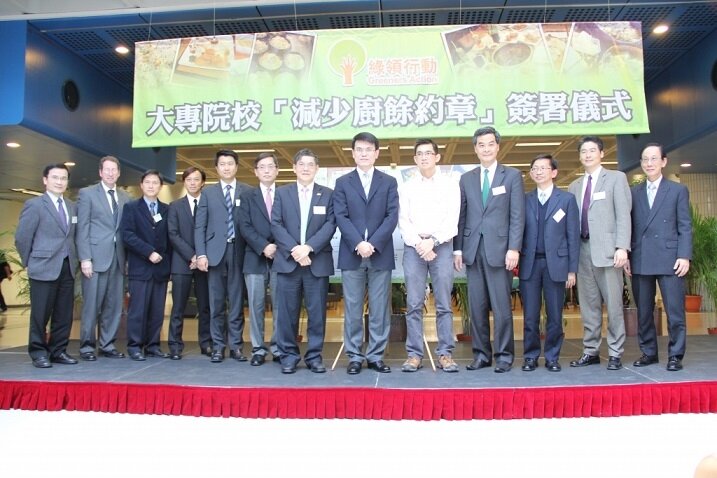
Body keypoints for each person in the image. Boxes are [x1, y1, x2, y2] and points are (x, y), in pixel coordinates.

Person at [454, 126, 525, 373]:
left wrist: (514, 248)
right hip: (473, 250)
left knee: (502, 307)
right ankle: (481, 355)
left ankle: (504, 356)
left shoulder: (512, 176)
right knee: (477, 307)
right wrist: (458, 250)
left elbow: (517, 216)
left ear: (498, 147)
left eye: (490, 144)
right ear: (475, 149)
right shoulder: (466, 178)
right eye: (481, 145)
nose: (486, 149)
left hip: (501, 250)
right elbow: (461, 216)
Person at [334, 132, 398, 374]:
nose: (364, 154)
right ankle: (354, 355)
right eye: (359, 149)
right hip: (352, 254)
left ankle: (375, 355)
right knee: (352, 308)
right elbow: (341, 216)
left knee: (380, 308)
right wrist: (358, 243)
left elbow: (392, 215)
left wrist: (373, 243)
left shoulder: (389, 181)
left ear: (376, 153)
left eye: (368, 149)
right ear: (353, 153)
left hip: (380, 253)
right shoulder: (343, 182)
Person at [567, 136, 631, 370]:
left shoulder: (616, 178)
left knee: (613, 305)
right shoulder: (574, 186)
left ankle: (615, 352)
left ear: (602, 154)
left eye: (592, 150)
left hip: (608, 252)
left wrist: (622, 247)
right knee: (588, 306)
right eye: (583, 151)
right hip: (583, 251)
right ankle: (590, 350)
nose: (587, 155)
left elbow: (624, 214)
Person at [626, 143, 691, 371]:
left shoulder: (677, 190)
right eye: (645, 159)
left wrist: (684, 255)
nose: (649, 163)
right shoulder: (633, 192)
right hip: (641, 257)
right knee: (644, 311)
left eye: (654, 158)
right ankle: (649, 352)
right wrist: (627, 255)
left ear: (664, 161)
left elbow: (685, 225)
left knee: (675, 311)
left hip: (670, 258)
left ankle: (675, 355)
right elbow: (629, 227)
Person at [271, 148, 335, 374]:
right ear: (294, 168)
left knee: (317, 314)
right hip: (288, 263)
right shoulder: (282, 193)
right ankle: (288, 356)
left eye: (310, 164)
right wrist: (295, 250)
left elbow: (330, 225)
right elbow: (276, 224)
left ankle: (314, 356)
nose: (306, 168)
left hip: (316, 262)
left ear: (317, 168)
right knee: (287, 314)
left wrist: (308, 248)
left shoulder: (328, 194)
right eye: (301, 164)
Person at [398, 138, 460, 373]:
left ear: (437, 157)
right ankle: (414, 354)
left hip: (441, 246)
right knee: (414, 303)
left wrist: (432, 242)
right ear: (415, 159)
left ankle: (445, 353)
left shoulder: (450, 184)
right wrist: (420, 243)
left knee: (444, 303)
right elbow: (403, 221)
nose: (424, 157)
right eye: (419, 154)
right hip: (414, 248)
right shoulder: (406, 187)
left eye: (428, 153)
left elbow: (452, 219)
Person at [519, 154, 580, 372]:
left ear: (554, 172)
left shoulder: (567, 200)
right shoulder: (525, 200)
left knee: (555, 315)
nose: (538, 172)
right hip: (530, 264)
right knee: (530, 316)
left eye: (543, 168)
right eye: (534, 168)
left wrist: (572, 270)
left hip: (557, 265)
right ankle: (530, 356)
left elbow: (573, 236)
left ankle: (552, 357)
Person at [15, 164, 78, 368]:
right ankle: (38, 352)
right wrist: (29, 262)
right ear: (45, 180)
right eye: (55, 177)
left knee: (63, 313)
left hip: (67, 267)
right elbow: (23, 237)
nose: (59, 182)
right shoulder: (35, 205)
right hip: (43, 267)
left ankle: (58, 351)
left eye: (63, 178)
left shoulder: (71, 206)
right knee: (40, 314)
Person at [195, 150, 250, 363]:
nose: (226, 167)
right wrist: (201, 254)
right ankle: (218, 346)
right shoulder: (208, 193)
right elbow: (200, 226)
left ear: (236, 167)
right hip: (214, 254)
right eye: (222, 164)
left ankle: (236, 346)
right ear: (216, 168)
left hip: (239, 252)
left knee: (236, 303)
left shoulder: (248, 191)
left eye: (230, 164)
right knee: (216, 303)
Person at [76, 155, 130, 361]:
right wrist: (85, 258)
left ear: (119, 173)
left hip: (118, 258)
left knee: (114, 305)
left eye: (114, 170)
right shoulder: (87, 194)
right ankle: (87, 347)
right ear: (100, 172)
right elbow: (82, 228)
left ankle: (107, 345)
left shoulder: (125, 197)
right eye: (106, 169)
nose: (110, 173)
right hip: (95, 259)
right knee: (92, 305)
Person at [120, 170, 172, 361]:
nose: (151, 186)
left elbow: (170, 238)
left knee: (157, 311)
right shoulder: (131, 208)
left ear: (161, 186)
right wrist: (148, 252)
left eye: (155, 182)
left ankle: (153, 345)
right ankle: (134, 346)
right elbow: (127, 235)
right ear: (141, 185)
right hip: (140, 267)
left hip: (161, 268)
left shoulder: (166, 209)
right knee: (138, 310)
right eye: (148, 182)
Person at [238, 153, 280, 366]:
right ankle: (258, 349)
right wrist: (264, 246)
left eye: (270, 166)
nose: (266, 170)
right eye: (262, 167)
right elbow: (244, 226)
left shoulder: (285, 194)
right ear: (255, 172)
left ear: (277, 170)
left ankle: (278, 347)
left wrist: (277, 246)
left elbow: (291, 223)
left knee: (281, 305)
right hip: (255, 257)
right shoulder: (247, 196)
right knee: (255, 305)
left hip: (281, 258)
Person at [167, 167, 212, 360]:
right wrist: (193, 256)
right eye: (188, 179)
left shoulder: (210, 204)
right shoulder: (175, 206)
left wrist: (201, 256)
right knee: (178, 307)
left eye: (196, 179)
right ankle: (175, 345)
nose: (192, 183)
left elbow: (213, 233)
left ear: (203, 182)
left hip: (206, 263)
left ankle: (206, 343)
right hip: (181, 263)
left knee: (205, 306)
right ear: (184, 182)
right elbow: (173, 234)